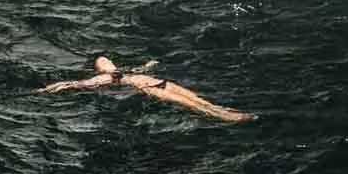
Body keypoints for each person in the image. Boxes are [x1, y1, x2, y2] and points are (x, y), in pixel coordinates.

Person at [38, 55, 254, 122]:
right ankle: (226, 117)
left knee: (198, 99)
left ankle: (223, 110)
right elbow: (74, 84)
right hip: (151, 90)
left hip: (160, 82)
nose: (107, 63)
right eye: (103, 63)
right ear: (99, 68)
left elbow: (143, 68)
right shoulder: (100, 80)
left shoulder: (124, 70)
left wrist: (151, 64)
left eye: (107, 61)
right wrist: (50, 88)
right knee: (190, 105)